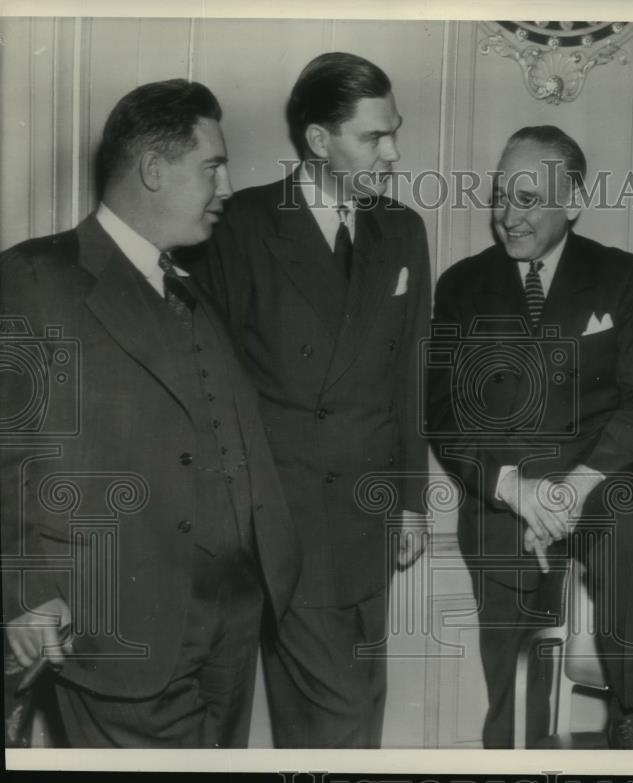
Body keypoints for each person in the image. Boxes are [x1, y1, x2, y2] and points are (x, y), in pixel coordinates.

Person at [0, 79, 300, 747]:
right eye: (212, 166)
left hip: (229, 623)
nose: (226, 187)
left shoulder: (191, 286)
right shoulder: (35, 277)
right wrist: (22, 592)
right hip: (117, 626)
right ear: (154, 169)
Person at [193, 52, 430, 748]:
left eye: (395, 132)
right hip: (286, 514)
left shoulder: (402, 229)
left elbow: (408, 376)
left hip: (371, 513)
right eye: (374, 138)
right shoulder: (242, 225)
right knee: (339, 716)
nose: (393, 152)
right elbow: (215, 384)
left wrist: (412, 498)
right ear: (319, 141)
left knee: (355, 706)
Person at [428, 126, 633, 750]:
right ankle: (511, 747)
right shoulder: (459, 286)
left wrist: (571, 490)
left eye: (529, 199)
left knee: (632, 527)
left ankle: (628, 714)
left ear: (574, 201)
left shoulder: (622, 277)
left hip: (600, 478)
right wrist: (515, 489)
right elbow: (444, 415)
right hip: (507, 491)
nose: (508, 217)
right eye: (501, 196)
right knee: (512, 666)